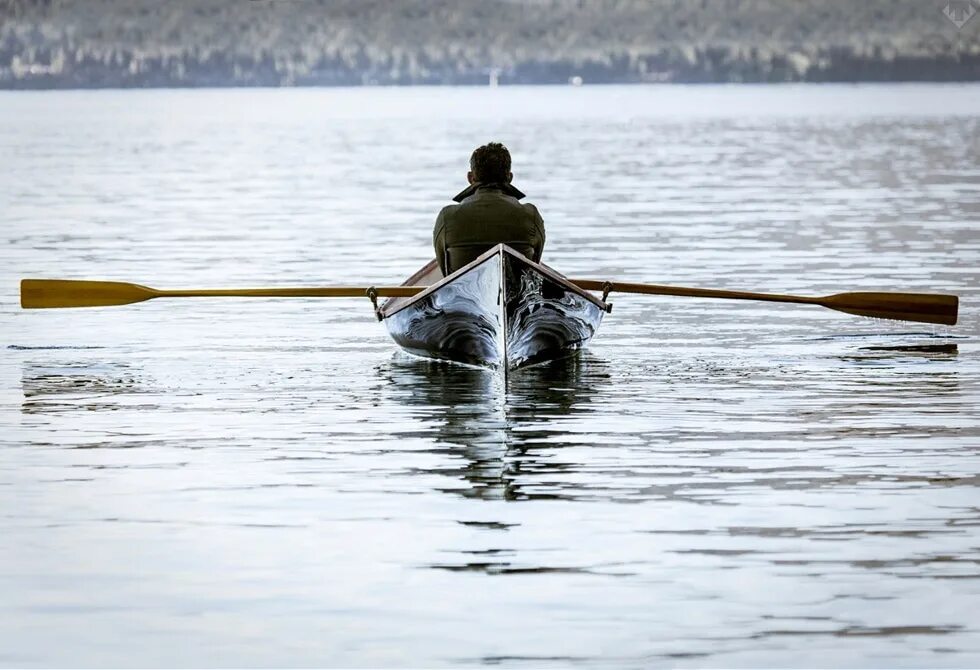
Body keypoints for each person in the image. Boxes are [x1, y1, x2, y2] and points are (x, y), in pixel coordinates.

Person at [433, 142, 546, 276]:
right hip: (517, 288)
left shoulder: (447, 216)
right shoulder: (531, 214)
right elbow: (535, 263)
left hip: (465, 289)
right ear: (510, 177)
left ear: (470, 178)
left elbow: (445, 271)